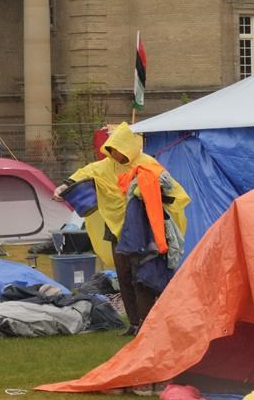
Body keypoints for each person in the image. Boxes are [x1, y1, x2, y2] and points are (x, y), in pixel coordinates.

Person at [52, 122, 190, 336]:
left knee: (142, 276)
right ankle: (134, 323)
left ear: (129, 147)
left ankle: (147, 323)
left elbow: (172, 193)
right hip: (117, 231)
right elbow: (81, 174)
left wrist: (148, 191)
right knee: (124, 277)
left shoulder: (148, 165)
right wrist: (62, 188)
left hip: (143, 231)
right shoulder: (105, 167)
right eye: (113, 149)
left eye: (119, 149)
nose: (115, 154)